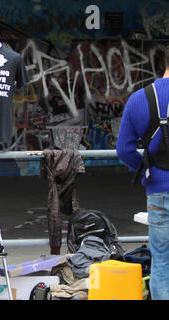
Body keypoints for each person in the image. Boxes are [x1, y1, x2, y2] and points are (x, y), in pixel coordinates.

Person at [116, 44, 169, 300]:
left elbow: (124, 149)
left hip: (158, 192)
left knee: (161, 260)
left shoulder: (139, 98)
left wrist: (147, 168)